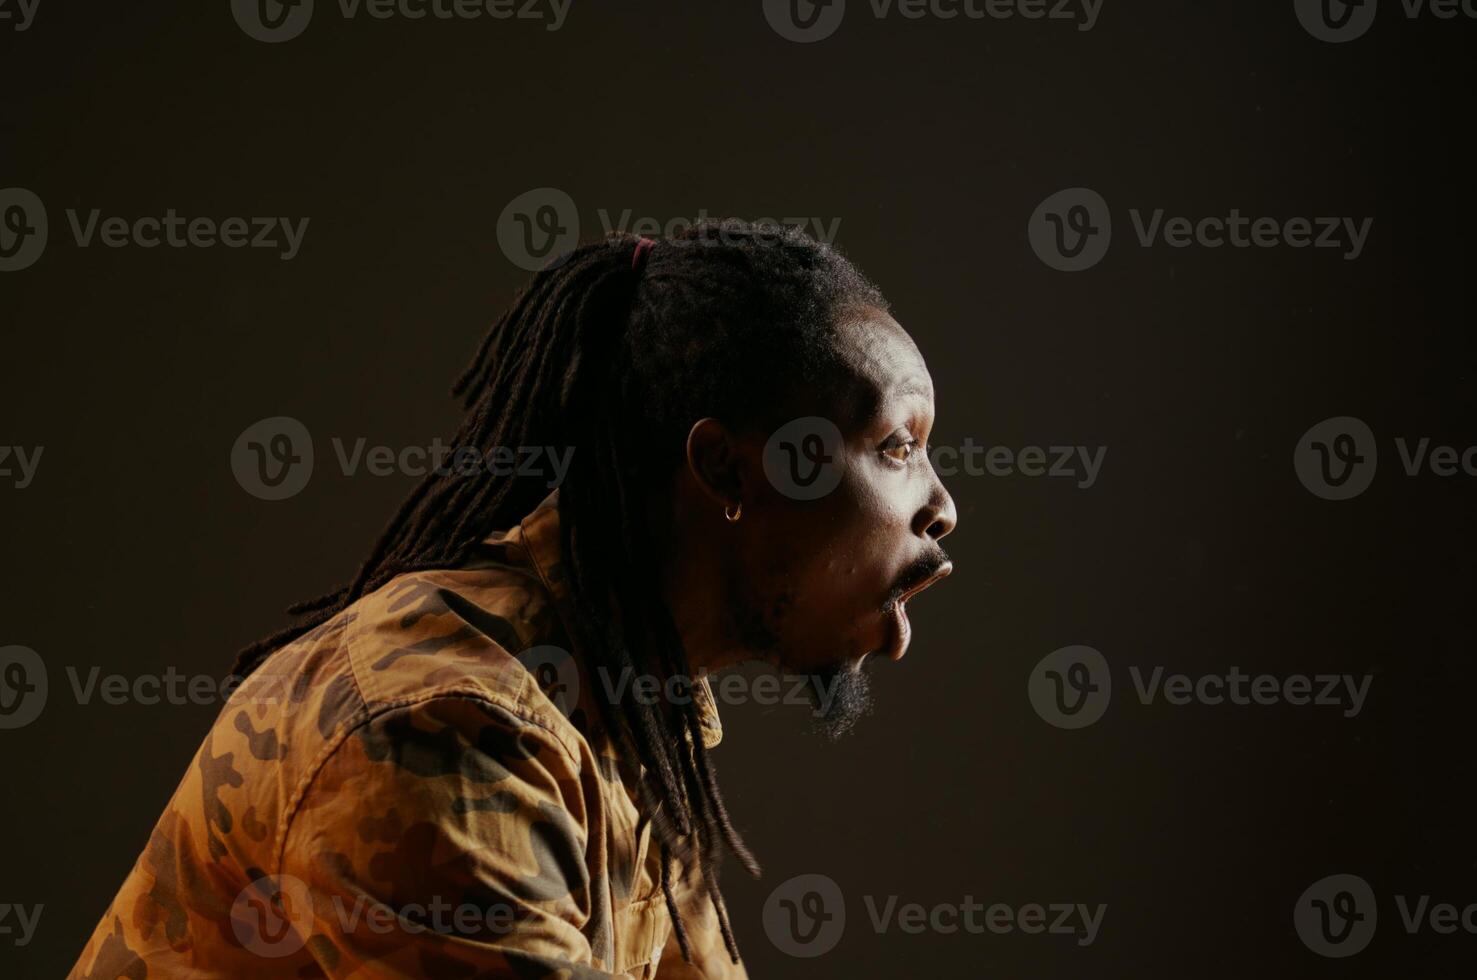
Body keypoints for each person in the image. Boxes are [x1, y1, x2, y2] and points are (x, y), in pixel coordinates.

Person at [71, 219, 957, 979]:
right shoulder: (444, 732)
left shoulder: (624, 701)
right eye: (892, 446)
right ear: (728, 470)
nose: (941, 505)